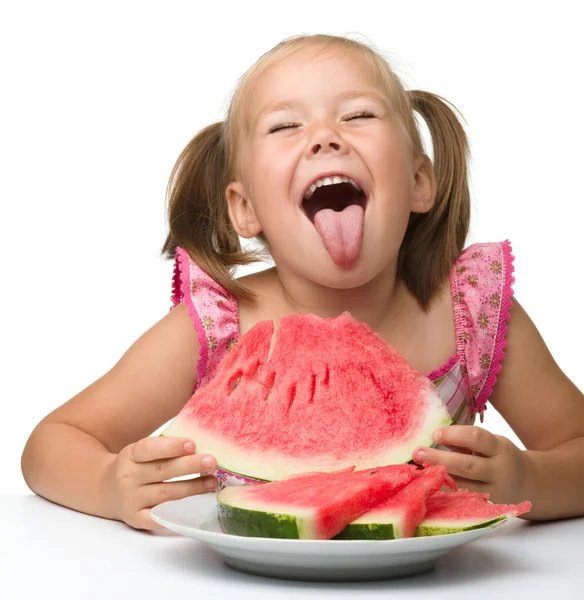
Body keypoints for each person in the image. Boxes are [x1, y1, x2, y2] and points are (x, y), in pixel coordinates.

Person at [21, 34, 584, 530]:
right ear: (245, 210)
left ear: (418, 182)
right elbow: (51, 442)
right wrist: (106, 485)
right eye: (286, 125)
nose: (324, 137)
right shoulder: (219, 327)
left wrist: (528, 476)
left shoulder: (472, 316)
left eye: (359, 115)